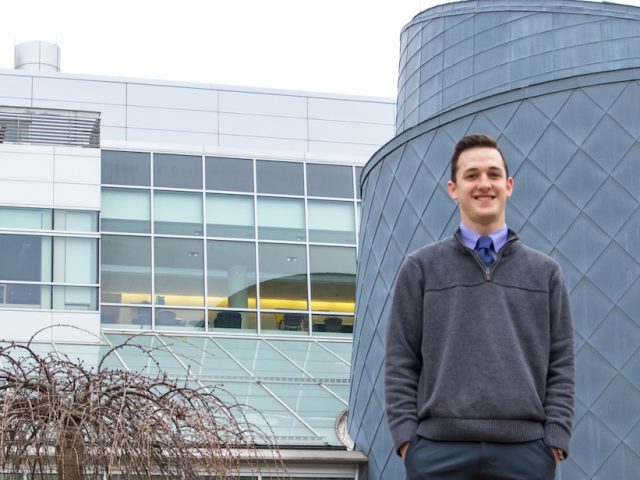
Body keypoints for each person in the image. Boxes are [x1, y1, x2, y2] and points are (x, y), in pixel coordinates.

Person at [384, 134, 574, 479]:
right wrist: (406, 441)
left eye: (493, 174)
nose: (483, 184)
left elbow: (560, 361)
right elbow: (401, 359)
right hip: (437, 452)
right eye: (472, 175)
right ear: (453, 188)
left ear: (509, 185)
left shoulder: (545, 272)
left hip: (526, 452)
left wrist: (555, 440)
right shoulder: (421, 268)